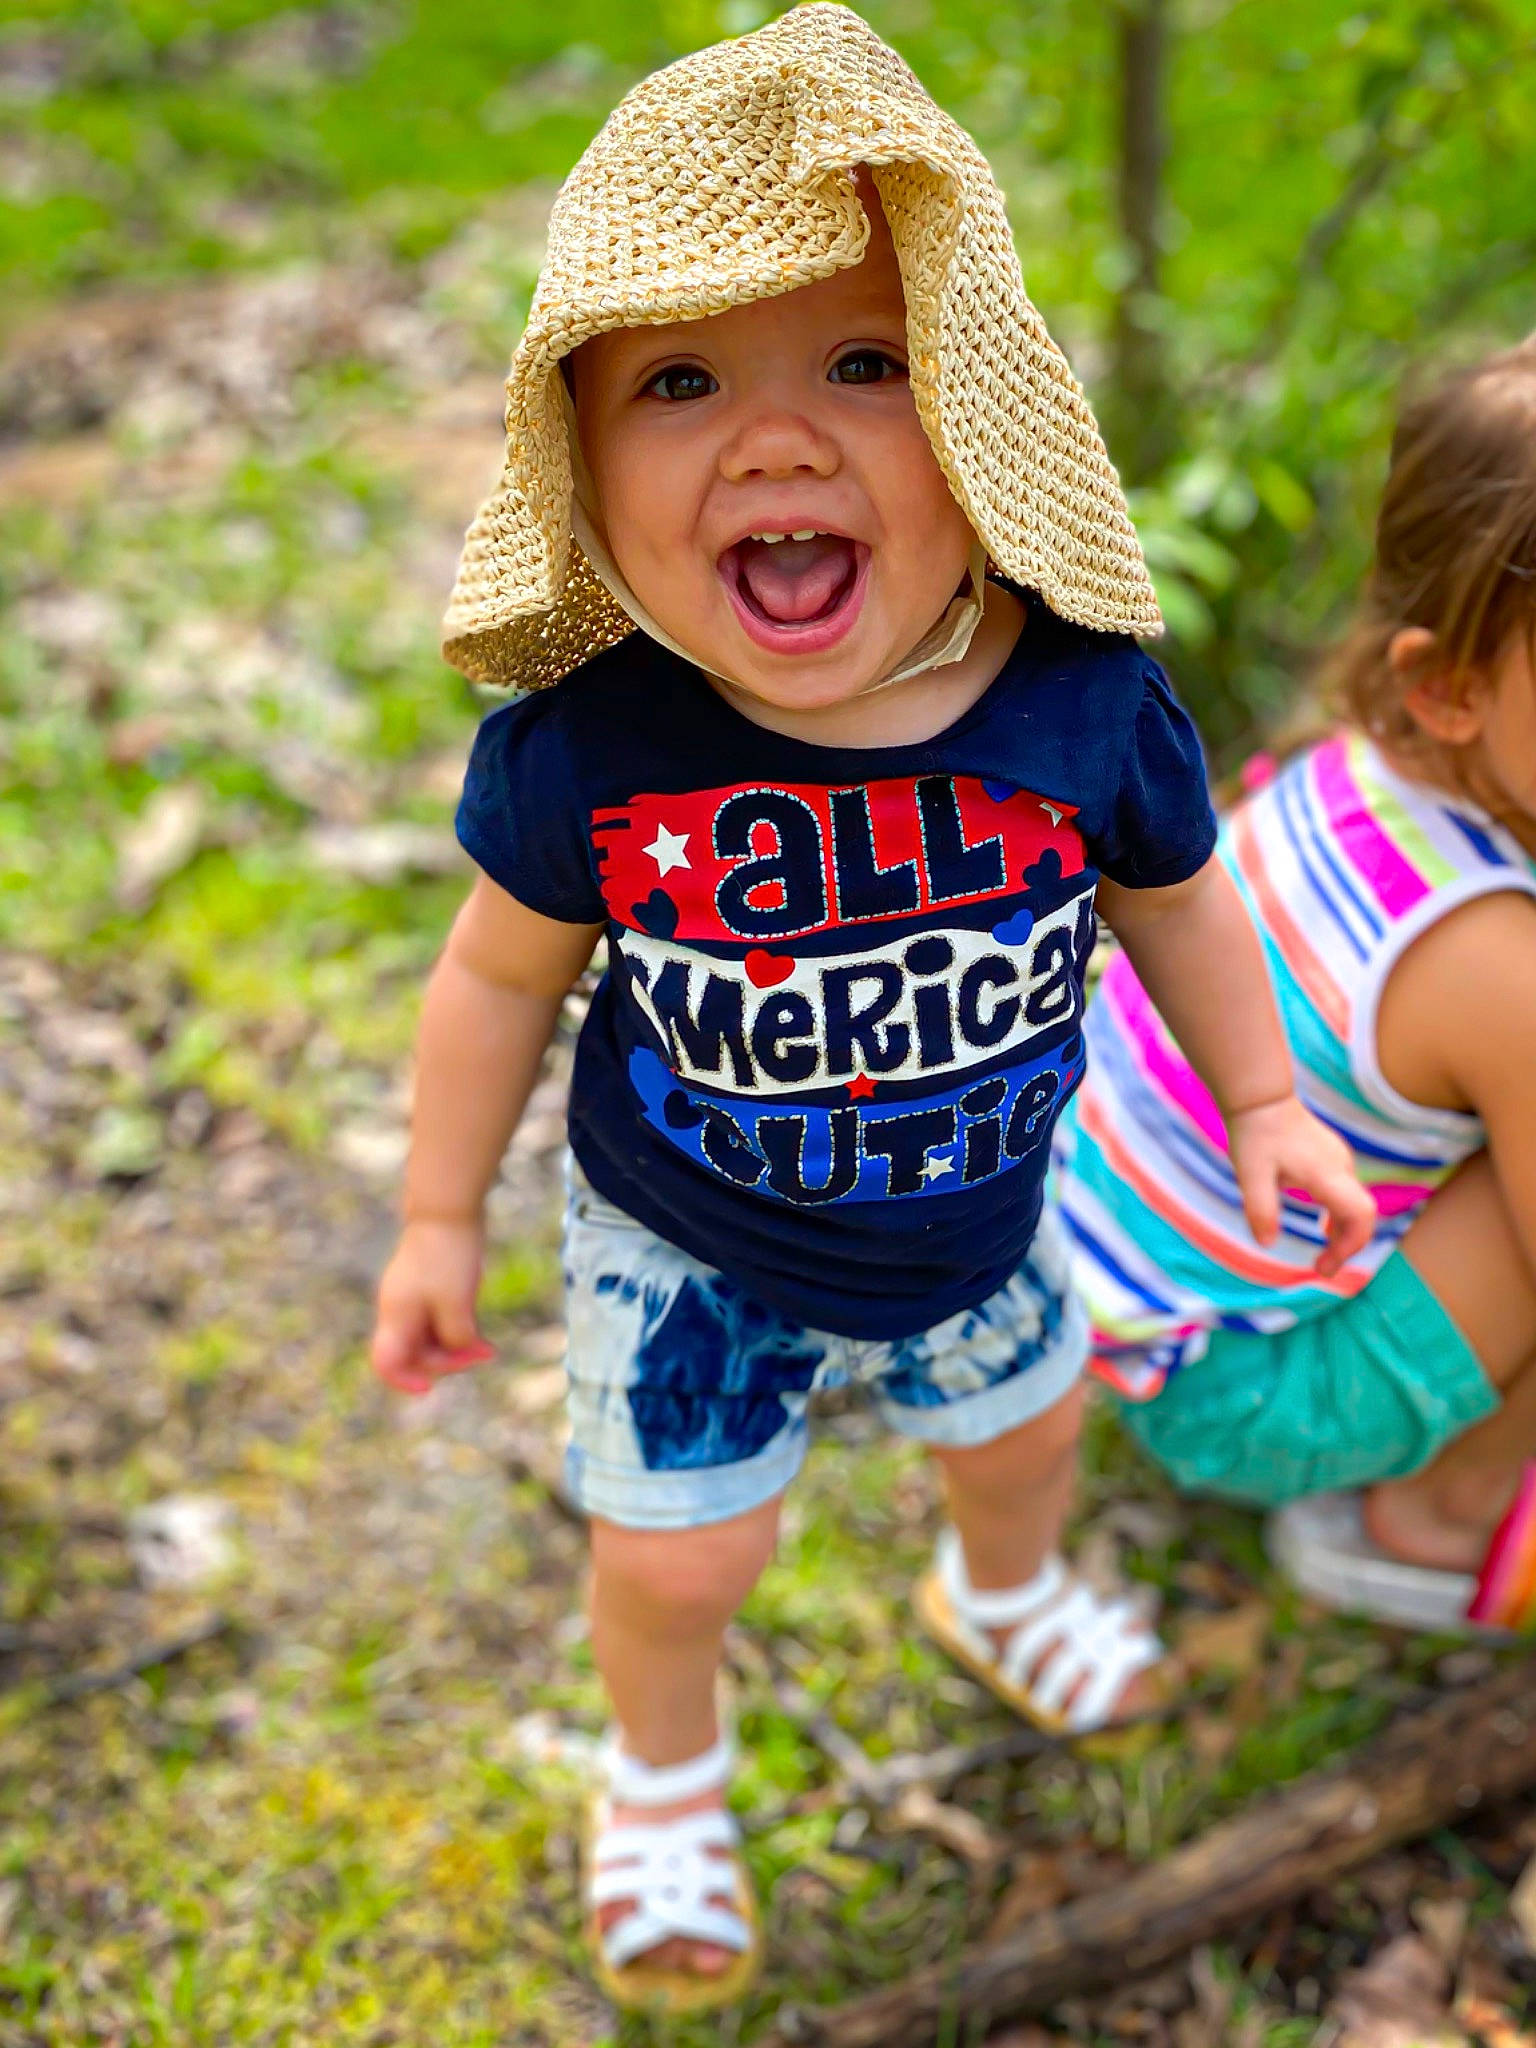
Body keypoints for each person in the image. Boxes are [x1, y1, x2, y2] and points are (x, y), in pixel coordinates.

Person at [368, 5, 1369, 2011]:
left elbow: (1180, 897)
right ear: (581, 468)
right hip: (687, 1238)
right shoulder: (601, 746)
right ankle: (663, 1779)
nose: (773, 440)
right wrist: (435, 1212)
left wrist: (1266, 1100)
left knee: (1025, 1429)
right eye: (679, 382)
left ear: (988, 413)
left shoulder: (1079, 701)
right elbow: (494, 974)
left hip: (980, 1206)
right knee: (680, 1556)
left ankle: (1002, 1588)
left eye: (864, 363)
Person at [1056, 340, 1536, 1639]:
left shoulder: (1358, 769)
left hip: (1111, 1287)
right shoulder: (1491, 961)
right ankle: (1438, 1516)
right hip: (1243, 1394)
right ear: (1449, 688)